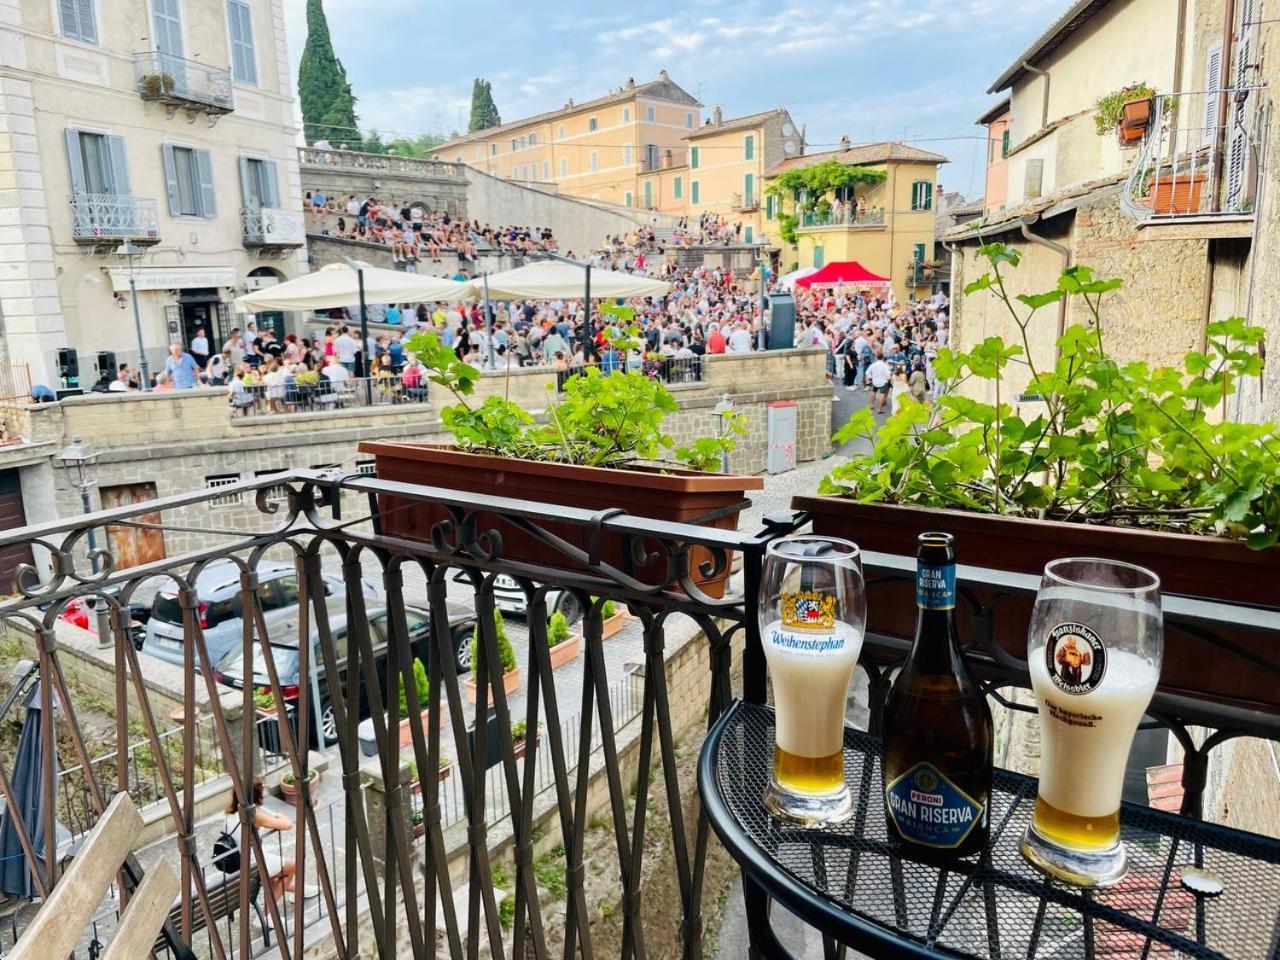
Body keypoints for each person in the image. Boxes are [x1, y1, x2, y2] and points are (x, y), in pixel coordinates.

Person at [219, 778, 317, 903]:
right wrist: (279, 815)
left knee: (275, 876)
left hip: (238, 862)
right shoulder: (253, 814)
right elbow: (287, 824)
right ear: (256, 796)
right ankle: (267, 916)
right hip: (254, 863)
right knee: (293, 867)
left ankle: (301, 890)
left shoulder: (229, 813)